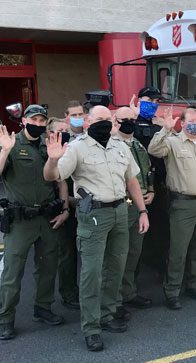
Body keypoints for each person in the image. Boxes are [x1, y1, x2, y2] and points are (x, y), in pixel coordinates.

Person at [43, 105, 149, 352]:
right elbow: (53, 175)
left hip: (120, 211)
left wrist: (143, 211)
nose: (103, 123)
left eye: (106, 119)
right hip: (94, 215)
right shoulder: (77, 148)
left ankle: (107, 314)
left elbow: (131, 180)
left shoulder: (120, 146)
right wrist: (52, 158)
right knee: (92, 273)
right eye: (98, 119)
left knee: (116, 266)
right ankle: (91, 328)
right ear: (88, 122)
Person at [0, 105, 69, 340]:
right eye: (34, 119)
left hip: (47, 217)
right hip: (20, 220)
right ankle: (5, 318)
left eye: (42, 120)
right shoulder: (10, 144)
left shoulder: (48, 145)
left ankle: (43, 308)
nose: (38, 124)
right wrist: (4, 151)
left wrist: (65, 208)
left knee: (48, 267)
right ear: (24, 120)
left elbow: (60, 180)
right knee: (12, 272)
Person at [147, 107, 196, 311]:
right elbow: (153, 150)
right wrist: (165, 129)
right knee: (178, 250)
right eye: (191, 121)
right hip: (182, 204)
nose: (195, 124)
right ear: (182, 123)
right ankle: (172, 291)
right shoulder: (172, 143)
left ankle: (193, 284)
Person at [111, 107, 154, 321]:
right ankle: (114, 301)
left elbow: (147, 172)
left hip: (140, 206)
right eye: (124, 119)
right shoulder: (112, 145)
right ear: (114, 121)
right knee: (118, 255)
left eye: (132, 118)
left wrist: (152, 191)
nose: (129, 122)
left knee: (134, 253)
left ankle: (128, 293)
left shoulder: (137, 145)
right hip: (122, 206)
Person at [131, 87, 169, 278]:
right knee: (136, 234)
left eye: (156, 102)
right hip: (138, 187)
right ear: (138, 101)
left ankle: (161, 269)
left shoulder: (159, 124)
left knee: (161, 229)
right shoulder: (131, 123)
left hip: (160, 184)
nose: (153, 105)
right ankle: (133, 280)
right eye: (149, 100)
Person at [47, 117, 78, 310]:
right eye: (60, 130)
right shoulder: (44, 151)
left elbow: (63, 182)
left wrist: (66, 209)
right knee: (48, 258)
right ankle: (42, 303)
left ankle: (69, 293)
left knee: (68, 253)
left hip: (62, 209)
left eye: (67, 129)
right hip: (40, 210)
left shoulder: (72, 148)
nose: (65, 132)